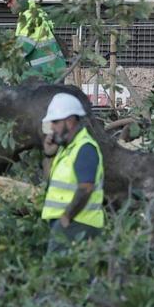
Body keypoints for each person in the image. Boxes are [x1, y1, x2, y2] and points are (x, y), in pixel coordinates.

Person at [41, 93, 104, 254]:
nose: (52, 128)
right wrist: (49, 154)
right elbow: (48, 183)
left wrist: (66, 217)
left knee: (54, 274)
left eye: (55, 122)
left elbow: (86, 188)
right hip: (70, 224)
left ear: (69, 121)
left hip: (78, 224)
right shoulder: (67, 149)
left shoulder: (84, 148)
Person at [2, 0, 67, 81]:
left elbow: (22, 50)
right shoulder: (35, 12)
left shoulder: (31, 16)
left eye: (11, 1)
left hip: (46, 76)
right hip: (51, 72)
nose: (8, 5)